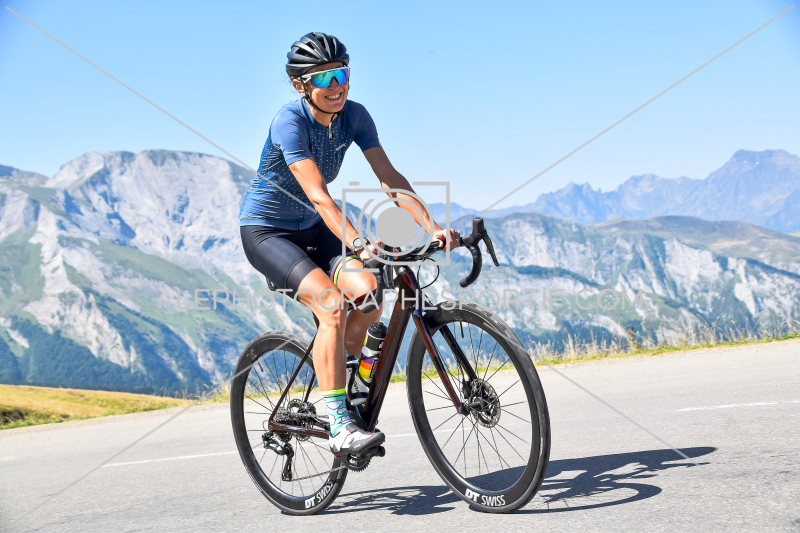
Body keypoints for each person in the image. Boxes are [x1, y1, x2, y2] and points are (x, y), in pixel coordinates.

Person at [238, 32, 460, 456]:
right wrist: (357, 241)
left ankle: (347, 380)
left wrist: (431, 226)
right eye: (323, 78)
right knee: (332, 307)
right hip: (268, 232)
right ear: (300, 85)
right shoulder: (290, 123)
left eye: (341, 73)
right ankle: (339, 424)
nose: (336, 85)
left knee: (370, 296)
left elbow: (390, 178)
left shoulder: (355, 116)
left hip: (315, 229)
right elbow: (319, 195)